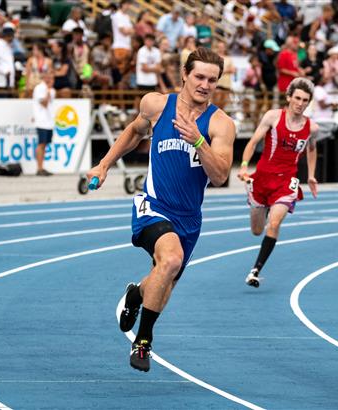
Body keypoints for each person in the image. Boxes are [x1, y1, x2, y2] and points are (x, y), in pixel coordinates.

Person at [85, 47, 235, 372]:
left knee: (163, 284)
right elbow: (133, 132)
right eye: (199, 76)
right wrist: (104, 165)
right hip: (152, 206)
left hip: (189, 220)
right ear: (184, 73)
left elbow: (221, 175)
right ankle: (144, 343)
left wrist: (198, 141)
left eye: (212, 79)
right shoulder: (156, 104)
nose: (205, 84)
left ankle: (137, 294)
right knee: (170, 260)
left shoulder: (220, 124)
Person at [237, 78, 318, 287]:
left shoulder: (311, 127)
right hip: (262, 178)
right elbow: (253, 142)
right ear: (289, 97)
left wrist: (310, 175)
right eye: (297, 98)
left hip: (287, 182)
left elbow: (312, 149)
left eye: (305, 100)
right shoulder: (273, 117)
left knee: (274, 224)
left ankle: (255, 271)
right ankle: (261, 206)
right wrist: (245, 166)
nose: (300, 103)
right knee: (257, 230)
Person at [32, 70, 56, 176]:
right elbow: (45, 103)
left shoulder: (51, 90)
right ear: (44, 77)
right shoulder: (39, 88)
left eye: (52, 78)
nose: (51, 80)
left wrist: (50, 90)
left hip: (49, 121)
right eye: (49, 78)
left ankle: (42, 167)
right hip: (41, 121)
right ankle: (39, 168)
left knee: (45, 144)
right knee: (41, 144)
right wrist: (48, 90)